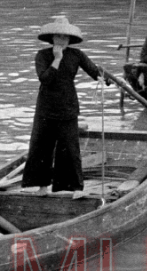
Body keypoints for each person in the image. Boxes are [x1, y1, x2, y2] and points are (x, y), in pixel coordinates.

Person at [22, 14, 104, 192]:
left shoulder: (76, 55)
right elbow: (45, 79)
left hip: (68, 107)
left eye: (65, 37)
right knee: (41, 147)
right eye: (58, 36)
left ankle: (73, 188)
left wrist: (104, 78)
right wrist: (57, 59)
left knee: (70, 148)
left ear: (70, 38)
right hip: (46, 108)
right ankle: (42, 186)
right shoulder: (42, 55)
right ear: (52, 38)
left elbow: (93, 70)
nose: (62, 40)